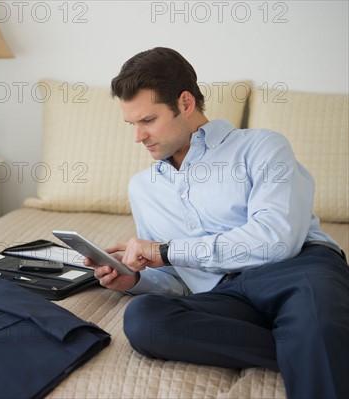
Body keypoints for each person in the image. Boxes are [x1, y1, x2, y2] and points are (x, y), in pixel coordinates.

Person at [85, 47, 349, 399]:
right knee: (144, 319)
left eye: (148, 121)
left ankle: (318, 338)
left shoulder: (262, 147)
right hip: (223, 294)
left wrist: (166, 250)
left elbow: (276, 239)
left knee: (318, 319)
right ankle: (316, 345)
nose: (138, 137)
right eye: (132, 124)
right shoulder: (143, 188)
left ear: (185, 103)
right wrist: (135, 278)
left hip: (295, 269)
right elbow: (176, 278)